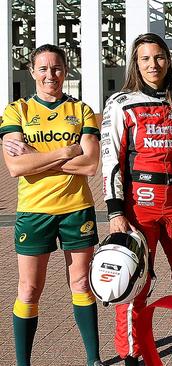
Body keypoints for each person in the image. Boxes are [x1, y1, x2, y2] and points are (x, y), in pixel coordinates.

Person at [101, 33, 172, 366]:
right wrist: (114, 211)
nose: (153, 64)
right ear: (136, 63)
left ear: (169, 59)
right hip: (139, 204)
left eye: (160, 57)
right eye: (145, 58)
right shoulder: (121, 103)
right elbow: (110, 159)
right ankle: (132, 354)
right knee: (133, 283)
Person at [1, 44, 103, 366]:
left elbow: (89, 166)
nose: (50, 75)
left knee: (82, 283)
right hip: (34, 212)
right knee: (29, 289)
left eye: (57, 68)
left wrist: (36, 156)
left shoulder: (82, 110)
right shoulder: (16, 111)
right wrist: (62, 153)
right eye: (43, 69)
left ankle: (93, 360)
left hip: (77, 208)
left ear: (66, 71)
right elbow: (16, 168)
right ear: (32, 73)